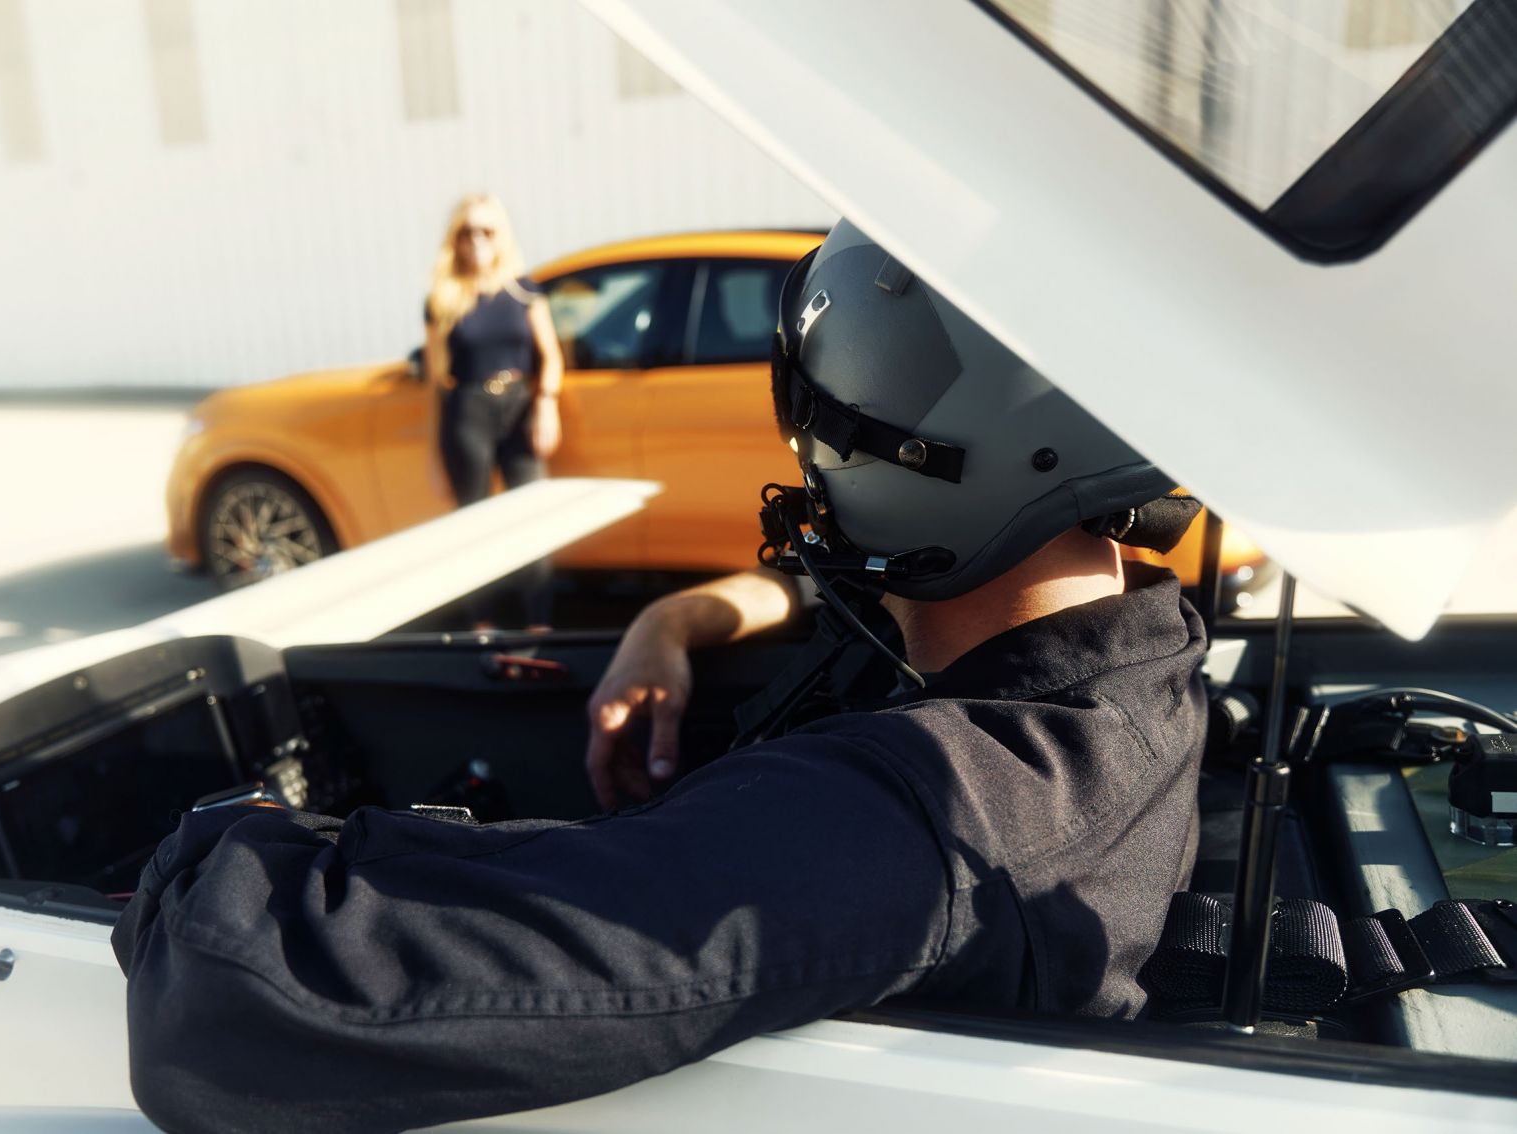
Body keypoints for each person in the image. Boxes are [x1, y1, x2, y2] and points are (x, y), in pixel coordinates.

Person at [112, 221, 1208, 1134]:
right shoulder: (1141, 659)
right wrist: (673, 620)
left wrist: (221, 841)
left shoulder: (909, 818)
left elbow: (235, 1000)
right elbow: (853, 593)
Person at [423, 192, 564, 629]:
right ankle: (482, 625)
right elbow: (435, 382)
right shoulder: (443, 300)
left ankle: (538, 624)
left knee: (533, 514)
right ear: (455, 240)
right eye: (467, 232)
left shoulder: (523, 291)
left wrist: (546, 403)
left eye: (486, 230)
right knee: (475, 522)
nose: (477, 240)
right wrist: (434, 455)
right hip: (467, 411)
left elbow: (551, 356)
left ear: (501, 235)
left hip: (519, 404)